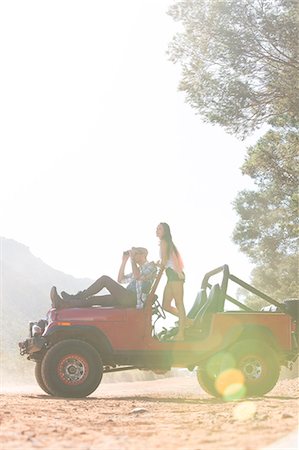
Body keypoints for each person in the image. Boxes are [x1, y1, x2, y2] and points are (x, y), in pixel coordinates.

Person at [50, 247, 157, 309]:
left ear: (144, 254)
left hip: (133, 299)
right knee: (93, 300)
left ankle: (75, 297)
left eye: (137, 253)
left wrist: (132, 260)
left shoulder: (151, 267)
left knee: (105, 279)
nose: (134, 256)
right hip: (125, 296)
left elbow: (138, 276)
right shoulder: (137, 269)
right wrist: (124, 261)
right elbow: (120, 279)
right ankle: (64, 304)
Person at [156, 223, 189, 341]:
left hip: (175, 275)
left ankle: (181, 334)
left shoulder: (165, 242)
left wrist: (157, 265)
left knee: (179, 303)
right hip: (170, 276)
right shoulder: (164, 243)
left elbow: (165, 262)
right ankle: (187, 321)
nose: (157, 230)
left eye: (160, 228)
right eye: (157, 228)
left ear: (165, 231)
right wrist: (158, 264)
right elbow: (169, 259)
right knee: (165, 305)